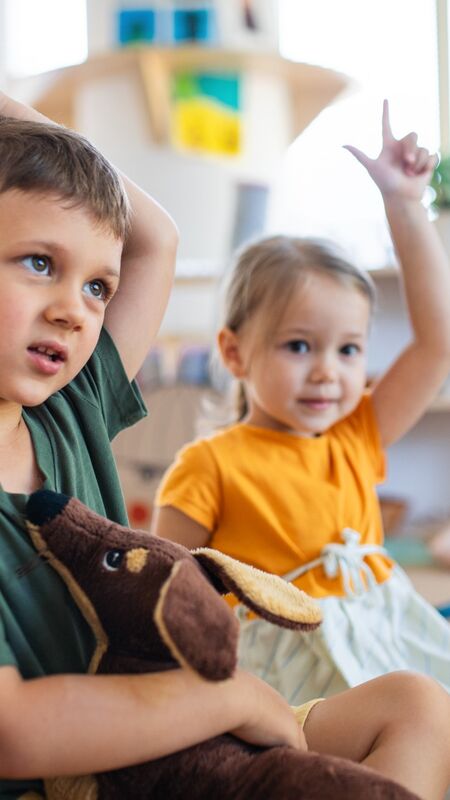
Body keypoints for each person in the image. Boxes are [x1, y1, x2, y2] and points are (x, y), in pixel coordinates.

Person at [0, 93, 448, 800]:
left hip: (183, 728)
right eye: (35, 262)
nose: (72, 307)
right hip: (95, 760)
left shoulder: (70, 411)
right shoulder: (197, 458)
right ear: (236, 353)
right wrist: (229, 699)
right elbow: (16, 730)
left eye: (97, 286)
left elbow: (156, 239)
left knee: (422, 707)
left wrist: (403, 202)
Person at [153, 100, 450, 732]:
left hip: (386, 632)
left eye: (349, 350)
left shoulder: (354, 434)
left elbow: (437, 344)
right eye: (298, 346)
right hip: (287, 669)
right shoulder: (209, 464)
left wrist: (405, 207)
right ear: (234, 352)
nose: (327, 372)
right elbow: (164, 590)